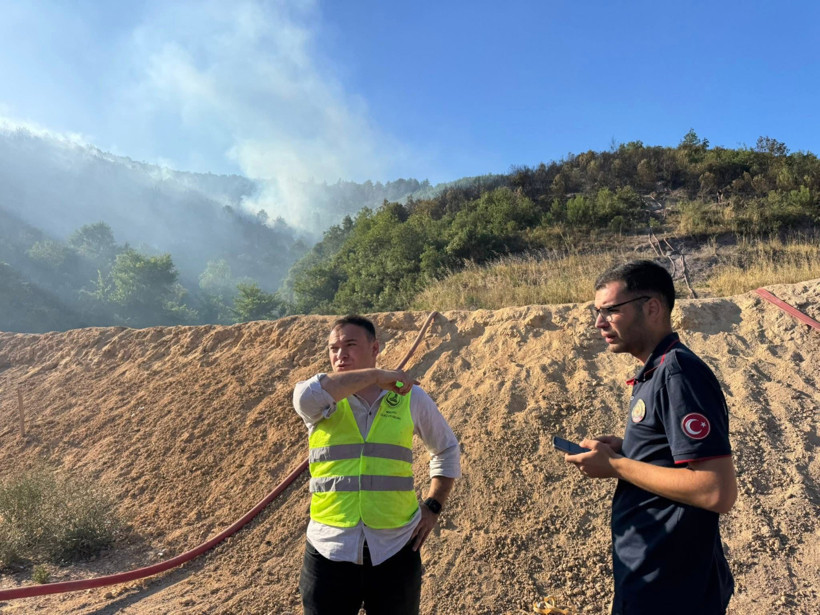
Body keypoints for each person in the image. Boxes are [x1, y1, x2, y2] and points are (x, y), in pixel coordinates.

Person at [564, 260, 737, 615]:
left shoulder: (678, 373)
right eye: (597, 312)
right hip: (655, 579)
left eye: (610, 311)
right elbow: (674, 457)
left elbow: (715, 489)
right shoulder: (657, 371)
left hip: (673, 590)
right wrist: (628, 450)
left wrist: (616, 465)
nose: (600, 323)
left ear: (652, 307)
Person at [293, 314, 460, 615]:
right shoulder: (317, 399)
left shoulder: (411, 397)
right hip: (328, 550)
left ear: (374, 348)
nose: (340, 353)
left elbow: (446, 449)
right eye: (333, 348)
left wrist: (433, 507)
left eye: (350, 344)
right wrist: (375, 376)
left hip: (396, 550)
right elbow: (307, 394)